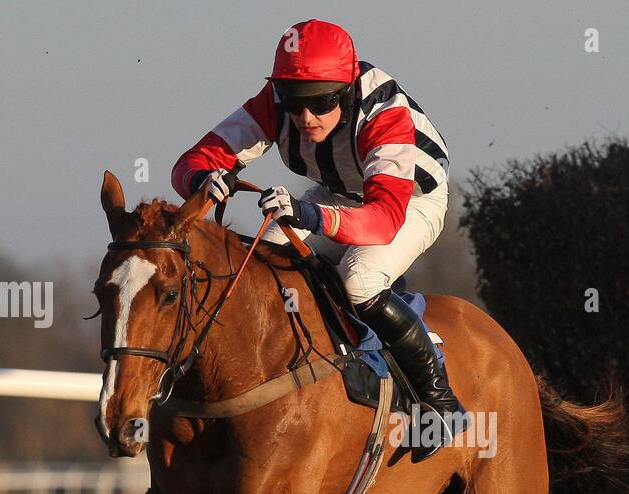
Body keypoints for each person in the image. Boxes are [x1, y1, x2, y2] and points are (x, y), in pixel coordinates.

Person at [171, 19, 466, 456]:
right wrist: (203, 179)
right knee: (266, 265)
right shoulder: (275, 101)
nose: (306, 117)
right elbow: (189, 162)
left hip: (409, 200)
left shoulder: (385, 116)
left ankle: (439, 401)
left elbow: (382, 219)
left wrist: (307, 212)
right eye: (295, 103)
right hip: (341, 193)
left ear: (346, 90)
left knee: (359, 277)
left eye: (322, 102)